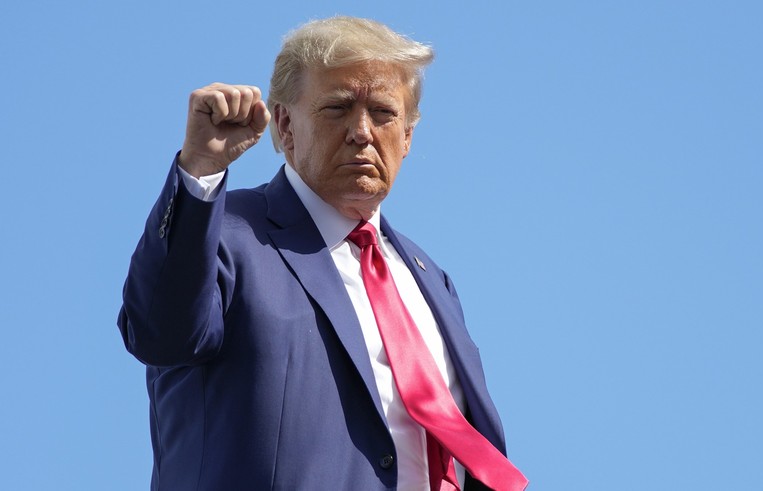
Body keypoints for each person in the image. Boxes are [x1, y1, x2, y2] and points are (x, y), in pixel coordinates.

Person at [118, 16, 527, 491]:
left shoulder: (429, 279)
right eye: (337, 108)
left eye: (383, 113)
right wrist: (201, 169)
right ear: (286, 124)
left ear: (409, 136)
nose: (361, 131)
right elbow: (160, 336)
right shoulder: (226, 231)